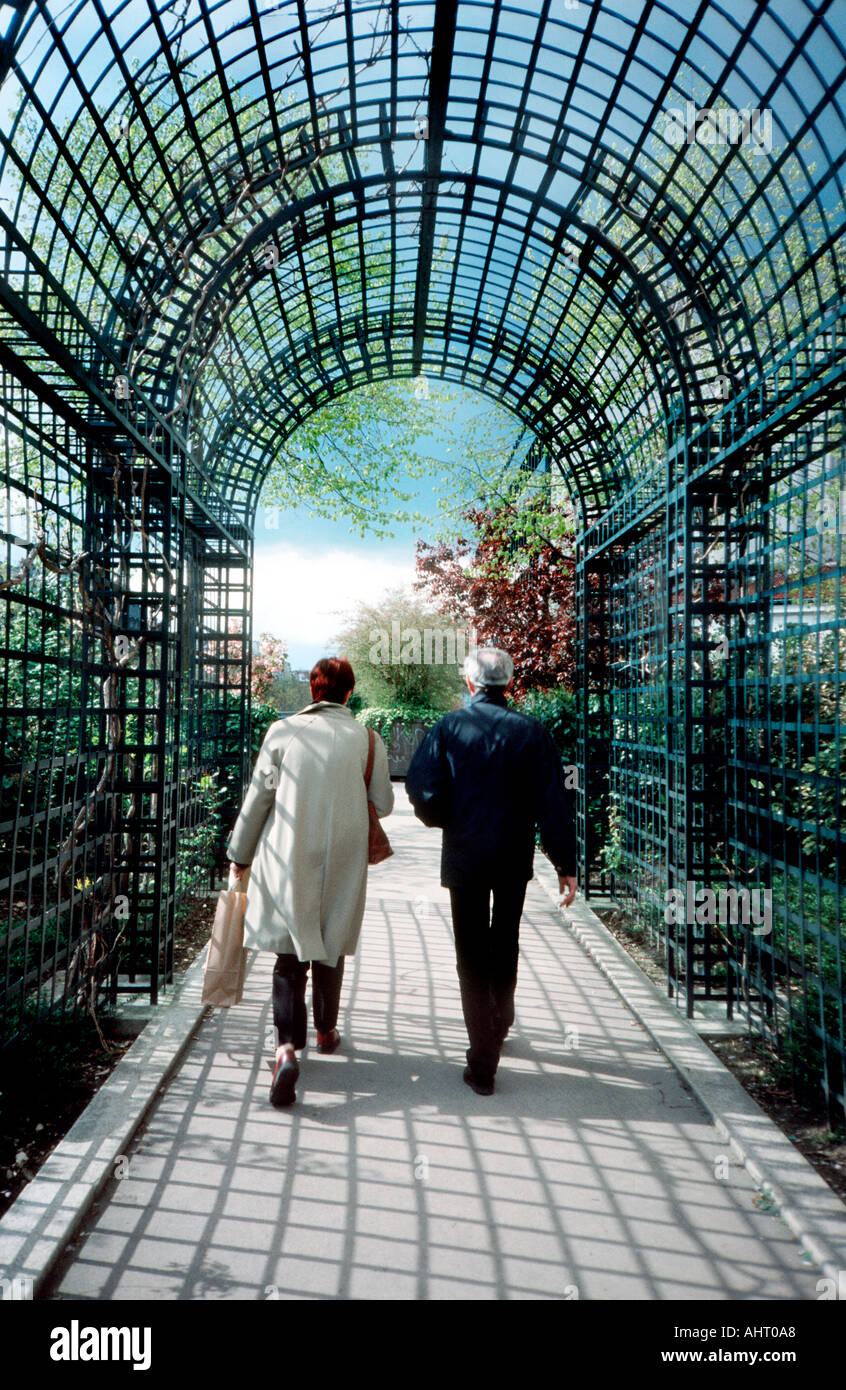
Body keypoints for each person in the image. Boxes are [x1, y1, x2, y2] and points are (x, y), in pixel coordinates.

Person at [405, 646, 577, 1096]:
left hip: (464, 853)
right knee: (505, 940)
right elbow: (553, 803)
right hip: (511, 855)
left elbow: (421, 789)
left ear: (469, 683)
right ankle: (500, 1021)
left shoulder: (447, 727)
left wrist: (445, 817)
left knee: (470, 954)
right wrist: (565, 863)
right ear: (509, 684)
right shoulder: (532, 733)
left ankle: (483, 1059)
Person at [226, 657, 393, 1106]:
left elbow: (259, 797)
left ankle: (285, 1050)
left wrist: (239, 855)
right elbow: (384, 801)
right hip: (343, 855)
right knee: (331, 943)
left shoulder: (282, 733)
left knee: (288, 953)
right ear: (349, 693)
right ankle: (326, 1030)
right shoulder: (367, 738)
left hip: (289, 856)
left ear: (314, 691)